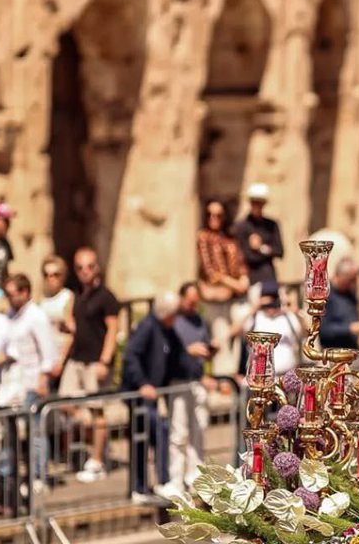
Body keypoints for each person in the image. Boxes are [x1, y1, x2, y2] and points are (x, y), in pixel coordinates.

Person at [0, 275, 60, 504]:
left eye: (12, 293)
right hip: (14, 383)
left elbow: (49, 351)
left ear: (25, 292)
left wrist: (43, 378)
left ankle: (38, 475)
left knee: (36, 432)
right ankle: (12, 479)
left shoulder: (36, 316)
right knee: (12, 433)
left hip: (33, 381)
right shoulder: (12, 316)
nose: (9, 298)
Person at [121, 293, 188, 501]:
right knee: (152, 433)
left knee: (155, 434)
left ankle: (155, 483)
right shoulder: (148, 326)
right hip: (140, 395)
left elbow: (177, 356)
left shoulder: (167, 330)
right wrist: (142, 382)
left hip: (152, 394)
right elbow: (131, 355)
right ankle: (144, 486)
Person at [62, 248, 120, 483]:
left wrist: (105, 361)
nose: (84, 272)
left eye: (89, 266)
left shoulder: (106, 296)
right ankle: (94, 444)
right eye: (79, 267)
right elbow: (74, 321)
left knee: (97, 412)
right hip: (77, 358)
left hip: (96, 361)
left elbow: (113, 331)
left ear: (97, 267)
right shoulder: (77, 294)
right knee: (64, 402)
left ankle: (97, 460)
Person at [169, 283, 214, 497]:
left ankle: (195, 477)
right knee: (179, 433)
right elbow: (168, 351)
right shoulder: (173, 321)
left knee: (198, 430)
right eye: (190, 301)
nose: (193, 305)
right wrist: (189, 350)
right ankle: (175, 478)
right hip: (178, 381)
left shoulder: (198, 320)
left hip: (197, 380)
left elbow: (204, 345)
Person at [196, 200, 249, 376]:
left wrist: (243, 279)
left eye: (218, 215)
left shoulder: (230, 239)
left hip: (233, 297)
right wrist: (234, 283)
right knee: (221, 338)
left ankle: (241, 372)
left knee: (243, 330)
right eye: (210, 215)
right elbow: (210, 271)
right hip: (216, 298)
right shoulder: (203, 237)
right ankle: (225, 380)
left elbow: (240, 263)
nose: (214, 219)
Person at [232, 183, 284, 298]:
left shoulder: (271, 225)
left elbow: (280, 251)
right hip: (251, 280)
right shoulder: (241, 227)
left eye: (260, 202)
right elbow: (247, 256)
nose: (257, 205)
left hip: (269, 278)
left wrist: (261, 248)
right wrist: (265, 252)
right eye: (254, 201)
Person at [242, 284, 302, 375]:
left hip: (286, 376)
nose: (270, 306)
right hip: (260, 376)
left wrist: (295, 310)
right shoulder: (255, 317)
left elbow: (306, 334)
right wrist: (254, 307)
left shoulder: (288, 316)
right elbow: (235, 332)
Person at [319, 258, 359, 351]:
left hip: (351, 350)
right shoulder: (325, 294)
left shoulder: (350, 294)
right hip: (333, 353)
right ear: (341, 276)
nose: (354, 284)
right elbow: (323, 330)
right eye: (351, 280)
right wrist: (350, 328)